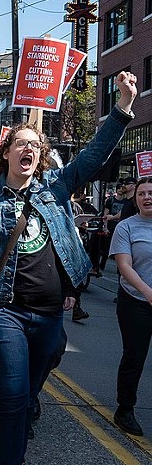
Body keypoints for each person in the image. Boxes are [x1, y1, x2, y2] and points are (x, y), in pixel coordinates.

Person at [0, 71, 138, 465]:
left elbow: (93, 155)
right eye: (22, 143)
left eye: (36, 146)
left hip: (50, 313)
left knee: (30, 394)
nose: (30, 150)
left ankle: (19, 427)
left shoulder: (54, 187)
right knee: (13, 394)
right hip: (5, 309)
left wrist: (122, 106)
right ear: (6, 153)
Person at [109, 177, 152, 437]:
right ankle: (125, 409)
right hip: (135, 302)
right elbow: (124, 266)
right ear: (135, 200)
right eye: (142, 194)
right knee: (135, 357)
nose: (147, 197)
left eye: (151, 193)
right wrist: (148, 293)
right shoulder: (126, 227)